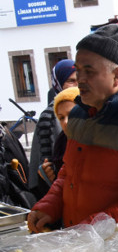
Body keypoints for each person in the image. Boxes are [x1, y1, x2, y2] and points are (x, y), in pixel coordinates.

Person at [27, 24, 118, 232]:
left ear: (116, 76)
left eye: (89, 71)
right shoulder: (78, 114)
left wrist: (95, 227)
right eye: (78, 71)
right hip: (80, 239)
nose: (81, 80)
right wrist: (49, 205)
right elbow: (68, 174)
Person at [29, 59, 77, 195]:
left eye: (79, 79)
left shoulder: (90, 108)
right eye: (71, 80)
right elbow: (46, 167)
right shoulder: (50, 116)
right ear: (59, 83)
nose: (77, 84)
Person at [38, 87, 79, 188]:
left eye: (71, 114)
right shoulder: (61, 146)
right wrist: (47, 177)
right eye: (61, 117)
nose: (65, 122)